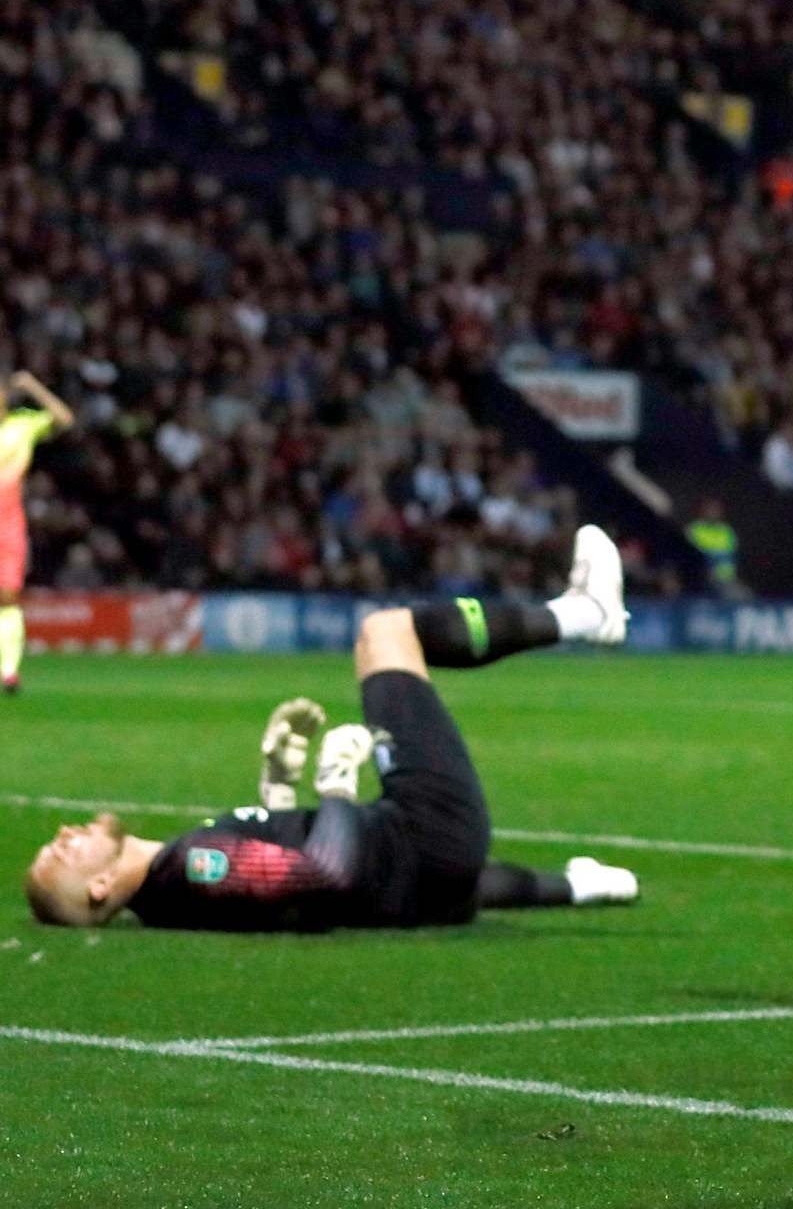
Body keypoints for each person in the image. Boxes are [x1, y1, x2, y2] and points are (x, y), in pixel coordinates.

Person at [24, 526, 638, 930]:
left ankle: (582, 888)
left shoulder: (178, 885)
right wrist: (336, 783)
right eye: (62, 853)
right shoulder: (190, 865)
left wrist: (278, 787)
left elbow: (283, 894)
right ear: (100, 887)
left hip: (419, 881)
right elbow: (325, 877)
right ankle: (584, 614)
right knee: (387, 633)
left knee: (453, 881)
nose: (64, 832)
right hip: (425, 831)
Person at [1, 370, 75, 696]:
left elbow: (64, 419)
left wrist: (33, 385)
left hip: (7, 524)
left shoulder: (21, 425)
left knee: (7, 597)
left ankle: (8, 671)